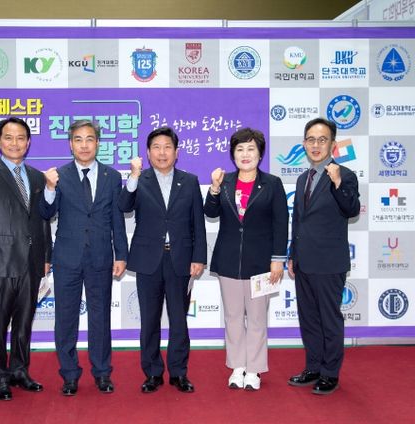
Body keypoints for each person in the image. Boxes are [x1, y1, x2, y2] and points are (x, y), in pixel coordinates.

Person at [39, 119, 128, 396]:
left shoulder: (112, 177)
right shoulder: (58, 176)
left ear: (98, 143)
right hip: (67, 257)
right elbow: (46, 213)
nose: (84, 145)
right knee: (66, 318)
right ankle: (69, 374)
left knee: (100, 317)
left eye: (90, 139)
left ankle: (102, 372)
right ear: (70, 144)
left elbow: (117, 219)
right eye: (78, 139)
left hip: (101, 256)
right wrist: (49, 188)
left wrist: (121, 254)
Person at [119, 126, 206, 394]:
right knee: (150, 320)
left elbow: (198, 223)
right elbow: (124, 205)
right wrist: (133, 176)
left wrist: (199, 257)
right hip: (148, 260)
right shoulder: (139, 179)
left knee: (179, 320)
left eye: (168, 147)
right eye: (156, 147)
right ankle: (153, 373)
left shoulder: (189, 181)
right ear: (148, 152)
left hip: (180, 259)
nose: (162, 152)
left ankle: (179, 373)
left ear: (177, 152)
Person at [0, 117, 52, 401]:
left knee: (24, 322)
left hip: (32, 261)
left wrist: (46, 255)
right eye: (8, 137)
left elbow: (42, 219)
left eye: (20, 138)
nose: (14, 143)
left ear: (28, 143)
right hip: (1, 260)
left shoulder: (37, 176)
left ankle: (19, 370)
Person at [203, 128, 288, 391]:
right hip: (228, 260)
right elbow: (210, 212)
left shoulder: (272, 184)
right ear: (233, 155)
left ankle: (254, 369)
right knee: (233, 316)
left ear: (260, 154)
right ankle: (237, 366)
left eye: (251, 149)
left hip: (261, 263)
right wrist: (214, 188)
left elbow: (281, 223)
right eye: (240, 149)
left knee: (257, 318)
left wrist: (277, 259)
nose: (245, 154)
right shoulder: (225, 181)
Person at [287, 118, 360, 395]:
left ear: (332, 144)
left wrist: (338, 182)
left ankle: (330, 373)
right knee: (309, 319)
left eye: (322, 140)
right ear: (304, 143)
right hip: (303, 261)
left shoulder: (345, 175)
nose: (315, 145)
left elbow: (352, 209)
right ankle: (313, 367)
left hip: (329, 263)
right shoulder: (302, 178)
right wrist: (292, 255)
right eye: (311, 140)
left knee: (329, 320)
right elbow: (299, 221)